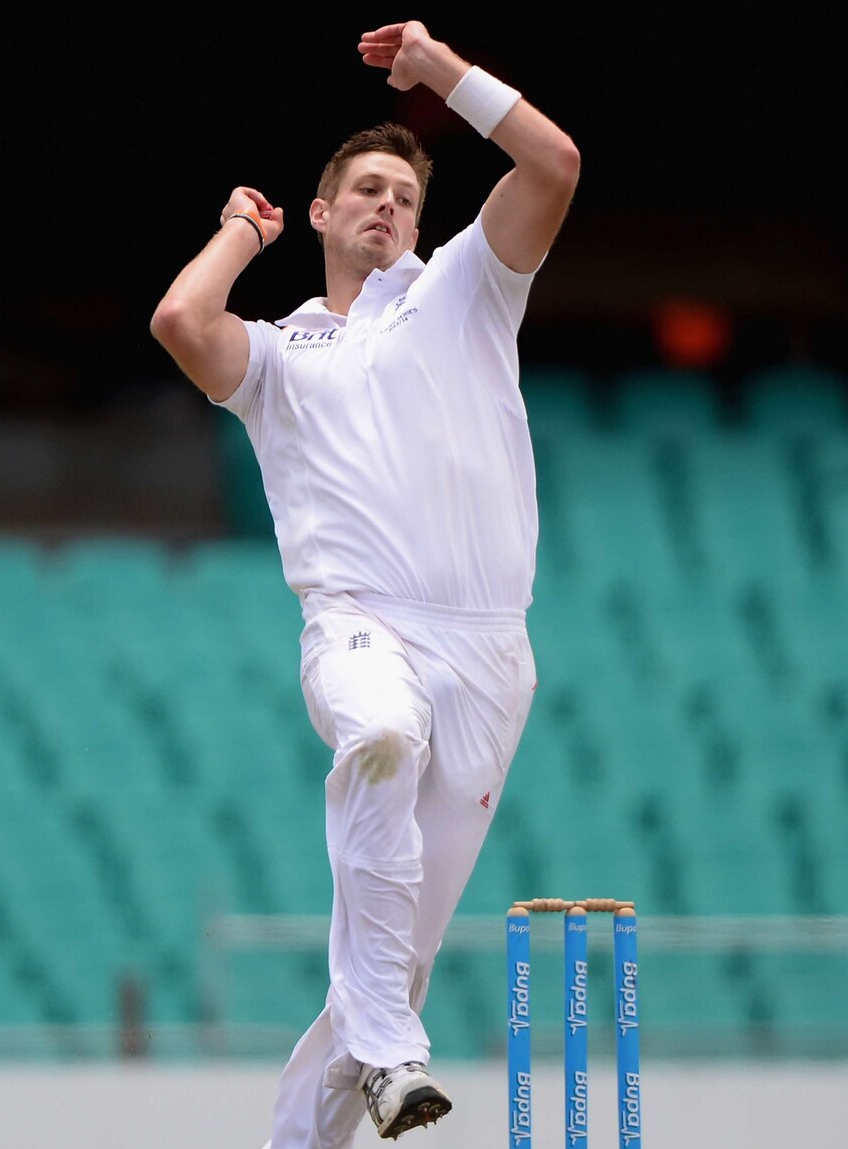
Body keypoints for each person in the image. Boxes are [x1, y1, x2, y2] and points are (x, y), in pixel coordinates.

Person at [150, 19, 580, 1148]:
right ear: (327, 211)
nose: (388, 206)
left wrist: (443, 71)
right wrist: (241, 232)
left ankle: (324, 1118)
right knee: (379, 735)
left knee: (394, 959)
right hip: (359, 630)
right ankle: (394, 1049)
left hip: (490, 652)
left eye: (404, 192)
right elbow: (181, 324)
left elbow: (554, 164)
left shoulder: (465, 291)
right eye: (366, 190)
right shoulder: (282, 355)